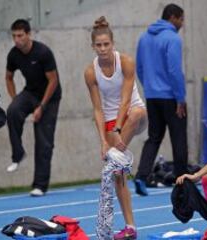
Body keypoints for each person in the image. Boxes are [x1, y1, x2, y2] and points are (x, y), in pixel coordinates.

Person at [84, 16, 147, 240]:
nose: (102, 49)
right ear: (93, 46)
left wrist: (119, 130)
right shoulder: (91, 72)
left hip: (132, 115)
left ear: (113, 44)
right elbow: (98, 110)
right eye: (98, 45)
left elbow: (125, 100)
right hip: (111, 121)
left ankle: (115, 157)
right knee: (118, 174)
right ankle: (131, 227)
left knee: (138, 112)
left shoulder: (126, 62)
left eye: (106, 44)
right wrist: (103, 140)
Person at [134, 3, 188, 196]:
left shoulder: (144, 37)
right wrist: (180, 99)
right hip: (171, 97)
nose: (182, 23)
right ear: (173, 17)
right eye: (181, 19)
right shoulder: (173, 38)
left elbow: (139, 67)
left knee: (154, 138)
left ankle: (141, 175)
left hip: (152, 95)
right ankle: (182, 182)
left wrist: (149, 87)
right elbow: (174, 70)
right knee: (179, 138)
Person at [5, 19, 61, 197]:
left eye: (20, 35)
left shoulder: (43, 52)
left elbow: (53, 81)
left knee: (44, 141)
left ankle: (40, 185)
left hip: (50, 97)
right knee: (12, 111)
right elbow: (9, 77)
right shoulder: (13, 54)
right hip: (30, 93)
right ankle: (18, 154)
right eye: (14, 36)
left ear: (29, 35)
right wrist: (15, 100)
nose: (17, 39)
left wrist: (41, 107)